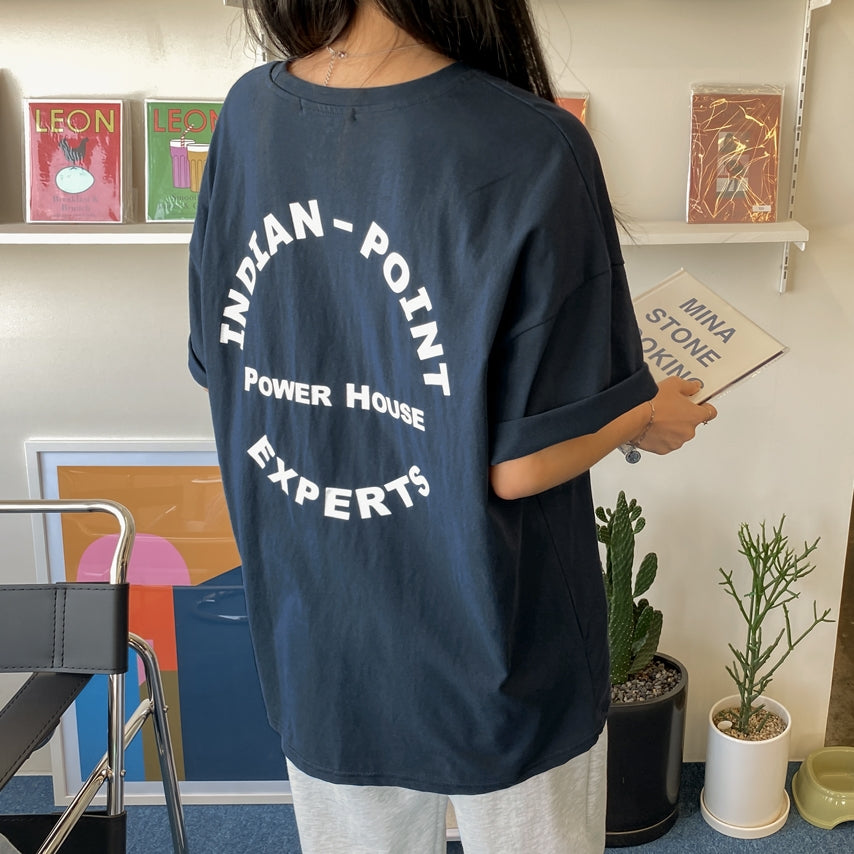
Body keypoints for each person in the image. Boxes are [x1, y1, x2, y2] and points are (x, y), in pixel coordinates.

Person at [187, 1, 716, 851]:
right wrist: (643, 412)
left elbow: (227, 366)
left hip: (323, 638)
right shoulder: (535, 143)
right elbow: (521, 462)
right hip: (500, 648)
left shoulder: (249, 115)